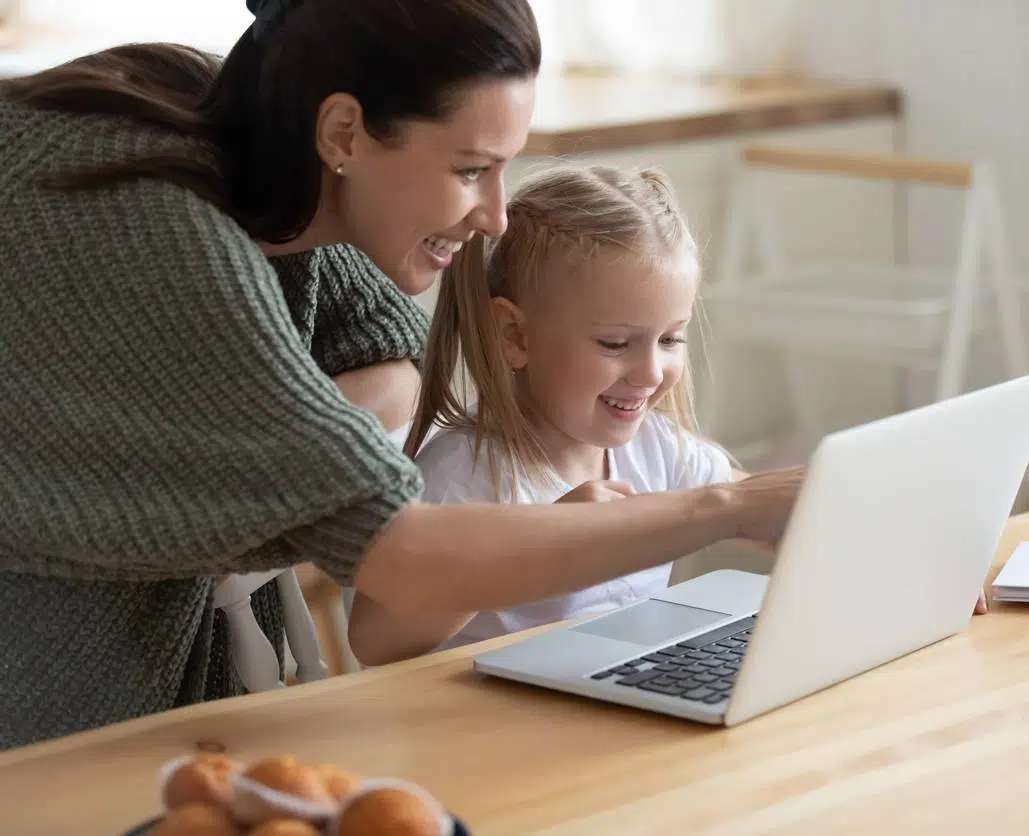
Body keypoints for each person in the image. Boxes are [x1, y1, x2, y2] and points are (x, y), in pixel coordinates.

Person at [0, 0, 801, 751]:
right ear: (344, 132)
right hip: (46, 718)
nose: (495, 215)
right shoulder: (160, 233)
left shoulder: (273, 158)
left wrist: (297, 448)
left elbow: (388, 352)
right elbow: (402, 560)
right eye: (470, 170)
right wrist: (726, 508)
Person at [409, 164, 757, 650]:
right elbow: (379, 640)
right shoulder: (462, 477)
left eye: (670, 338)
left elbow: (752, 503)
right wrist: (545, 542)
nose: (652, 373)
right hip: (496, 721)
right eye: (615, 344)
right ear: (515, 336)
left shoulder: (657, 448)